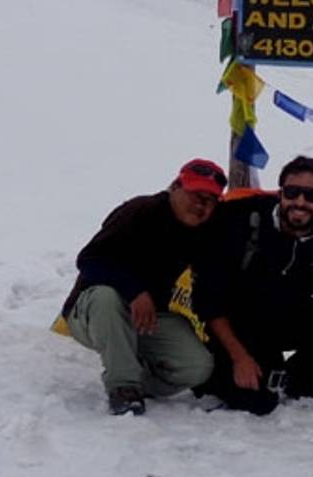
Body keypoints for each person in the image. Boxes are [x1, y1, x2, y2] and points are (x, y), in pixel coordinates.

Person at [194, 155, 313, 415]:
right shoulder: (242, 219)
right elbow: (209, 299)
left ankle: (300, 379)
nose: (300, 202)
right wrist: (239, 357)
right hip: (234, 327)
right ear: (281, 193)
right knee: (258, 402)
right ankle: (217, 376)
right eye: (293, 192)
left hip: (285, 318)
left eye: (312, 196)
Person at [59, 159, 227, 415]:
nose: (201, 204)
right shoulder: (140, 210)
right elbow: (89, 260)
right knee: (107, 298)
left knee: (198, 366)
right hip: (92, 310)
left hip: (149, 318)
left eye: (210, 199)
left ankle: (137, 377)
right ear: (176, 187)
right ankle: (123, 387)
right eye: (195, 194)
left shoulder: (204, 233)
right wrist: (135, 291)